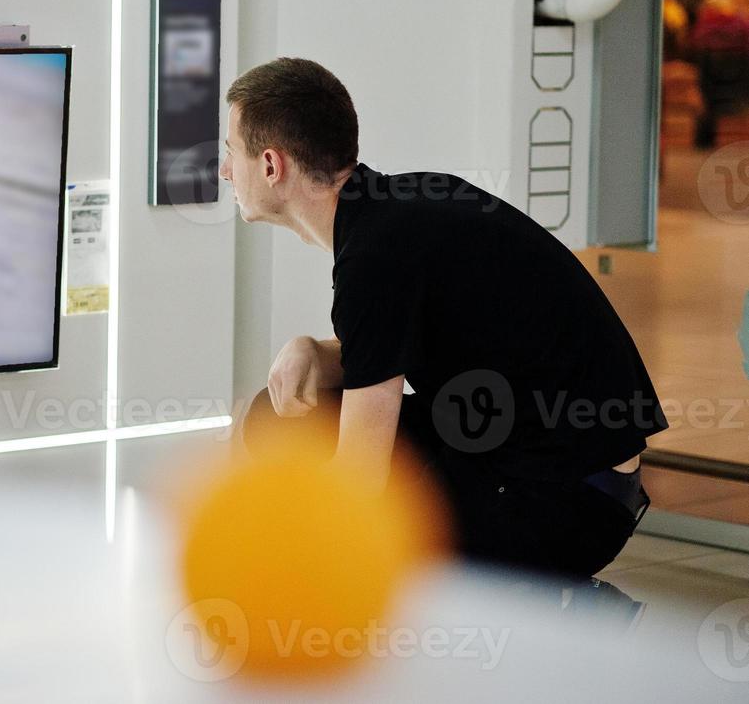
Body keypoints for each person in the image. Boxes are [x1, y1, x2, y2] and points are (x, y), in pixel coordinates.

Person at [220, 58, 668, 580]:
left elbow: (359, 477)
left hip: (566, 501)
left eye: (231, 152)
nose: (226, 170)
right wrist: (315, 352)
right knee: (274, 419)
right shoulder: (399, 209)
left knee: (321, 489)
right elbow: (408, 343)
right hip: (547, 463)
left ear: (271, 166)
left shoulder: (376, 255)